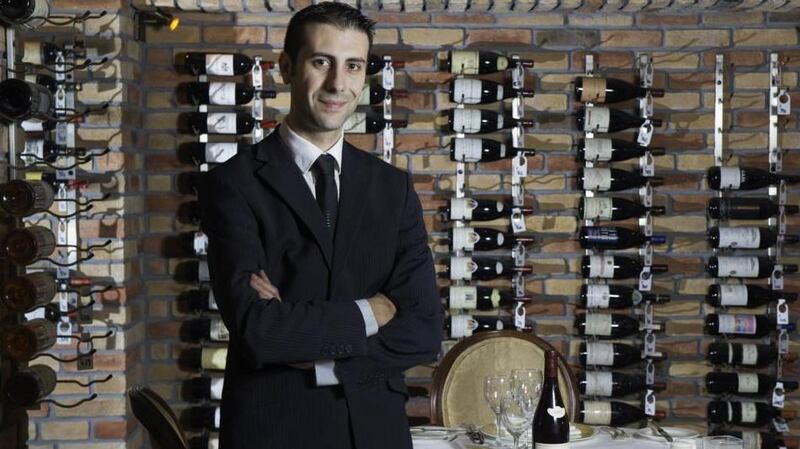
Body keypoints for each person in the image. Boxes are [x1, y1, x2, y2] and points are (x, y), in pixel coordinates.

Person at [197, 3, 442, 449]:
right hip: (275, 432)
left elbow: (424, 331)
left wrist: (323, 360)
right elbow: (260, 331)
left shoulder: (393, 189)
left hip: (377, 433)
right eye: (321, 62)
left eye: (353, 66)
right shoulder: (232, 185)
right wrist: (372, 311)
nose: (337, 84)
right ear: (286, 68)